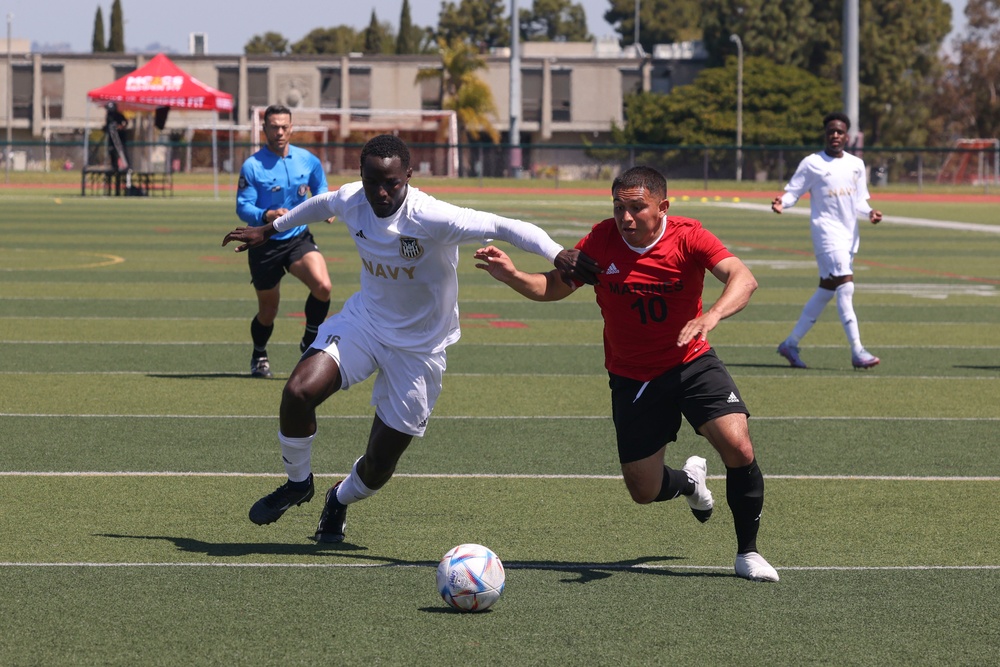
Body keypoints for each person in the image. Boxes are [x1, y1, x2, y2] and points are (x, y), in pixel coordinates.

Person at [222, 134, 596, 544]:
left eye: (392, 184)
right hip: (365, 324)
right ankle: (297, 484)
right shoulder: (353, 199)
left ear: (408, 178)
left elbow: (504, 226)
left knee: (379, 465)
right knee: (297, 391)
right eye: (372, 182)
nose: (381, 192)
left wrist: (557, 253)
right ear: (361, 177)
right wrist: (269, 229)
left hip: (420, 349)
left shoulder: (432, 216)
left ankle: (339, 498)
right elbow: (323, 203)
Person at [474, 166, 779, 582]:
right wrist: (512, 276)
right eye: (619, 207)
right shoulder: (601, 241)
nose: (626, 217)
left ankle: (748, 552)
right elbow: (554, 287)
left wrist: (713, 315)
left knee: (738, 445)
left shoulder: (689, 236)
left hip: (691, 361)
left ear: (663, 207)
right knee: (644, 490)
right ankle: (690, 483)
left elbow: (744, 278)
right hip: (633, 377)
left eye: (637, 207)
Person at [772, 111, 883, 370]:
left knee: (826, 290)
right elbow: (793, 193)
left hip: (849, 236)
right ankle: (857, 351)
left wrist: (870, 213)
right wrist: (781, 203)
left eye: (840, 131)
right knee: (846, 287)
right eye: (831, 131)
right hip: (826, 233)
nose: (835, 135)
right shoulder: (812, 163)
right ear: (825, 134)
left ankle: (790, 343)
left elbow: (859, 201)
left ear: (847, 136)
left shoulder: (856, 165)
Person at [236, 104, 333, 379]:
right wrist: (266, 214)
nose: (279, 131)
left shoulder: (307, 160)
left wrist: (325, 206)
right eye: (274, 127)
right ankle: (259, 352)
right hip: (264, 243)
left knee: (323, 286)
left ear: (291, 128)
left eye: (284, 126)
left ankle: (310, 340)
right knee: (268, 310)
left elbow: (321, 186)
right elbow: (243, 206)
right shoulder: (252, 165)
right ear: (264, 129)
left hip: (297, 238)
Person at [104, 102, 129, 173]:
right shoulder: (108, 116)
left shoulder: (119, 115)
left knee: (122, 151)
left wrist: (120, 127)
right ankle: (114, 166)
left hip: (119, 137)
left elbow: (125, 123)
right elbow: (108, 126)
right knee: (112, 151)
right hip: (111, 137)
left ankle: (126, 166)